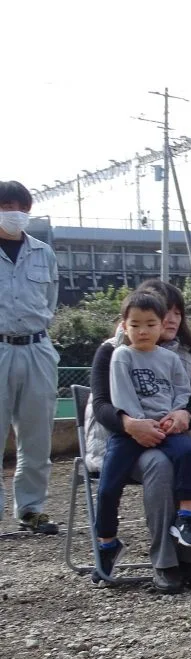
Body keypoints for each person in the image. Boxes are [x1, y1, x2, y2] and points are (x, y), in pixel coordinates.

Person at [87, 279, 191, 593]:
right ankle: (165, 562)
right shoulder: (113, 351)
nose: (171, 319)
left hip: (170, 433)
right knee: (159, 464)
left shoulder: (184, 354)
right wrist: (131, 424)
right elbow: (103, 404)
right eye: (164, 311)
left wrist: (184, 414)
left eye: (176, 312)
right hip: (121, 438)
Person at [0, 181, 60, 534]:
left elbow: (51, 300)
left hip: (37, 347)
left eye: (21, 206)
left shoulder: (43, 253)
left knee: (37, 436)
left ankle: (31, 508)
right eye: (6, 205)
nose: (14, 213)